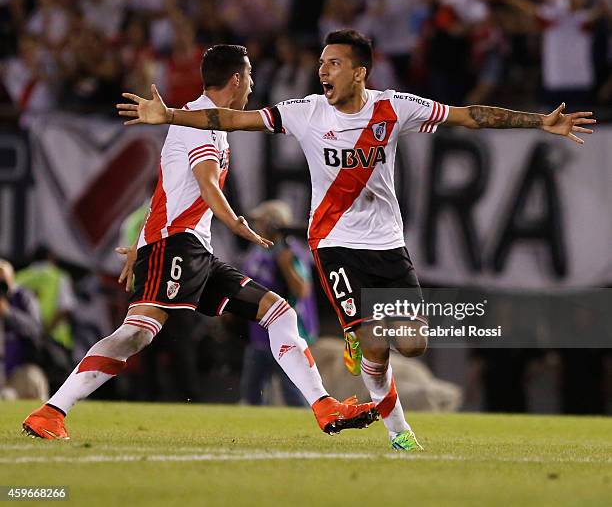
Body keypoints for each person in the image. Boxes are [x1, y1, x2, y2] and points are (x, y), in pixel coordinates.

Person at [116, 29, 595, 450]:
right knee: (374, 342)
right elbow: (232, 120)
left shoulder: (397, 108)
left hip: (388, 244)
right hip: (334, 243)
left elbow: (467, 115)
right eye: (321, 62)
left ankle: (361, 339)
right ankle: (398, 430)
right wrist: (172, 115)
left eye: (334, 63)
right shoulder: (305, 112)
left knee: (411, 344)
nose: (322, 70)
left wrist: (539, 121)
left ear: (360, 72)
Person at [22, 44, 377, 440]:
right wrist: (236, 222)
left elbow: (165, 191)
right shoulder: (200, 125)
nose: (253, 85)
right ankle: (52, 411)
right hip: (176, 246)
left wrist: (141, 242)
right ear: (238, 79)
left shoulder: (206, 123)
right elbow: (207, 185)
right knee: (138, 332)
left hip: (193, 251)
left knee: (279, 312)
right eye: (250, 77)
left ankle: (325, 407)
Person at [240, 200, 318, 407]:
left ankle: (305, 433)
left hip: (285, 333)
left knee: (292, 392)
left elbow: (302, 290)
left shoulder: (290, 252)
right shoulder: (258, 250)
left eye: (261, 222)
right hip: (259, 332)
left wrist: (285, 264)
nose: (256, 226)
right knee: (251, 394)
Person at [0, 259, 48, 400]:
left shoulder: (23, 298)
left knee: (33, 377)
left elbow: (35, 330)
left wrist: (8, 313)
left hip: (19, 370)